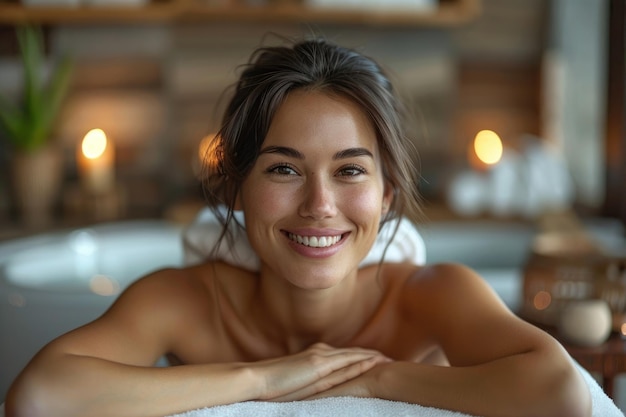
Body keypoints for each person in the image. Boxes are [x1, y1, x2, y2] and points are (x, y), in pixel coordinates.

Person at [6, 37, 591, 417]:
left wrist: (375, 379)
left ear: (386, 195)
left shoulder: (430, 295)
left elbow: (560, 393)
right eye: (284, 168)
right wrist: (263, 379)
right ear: (236, 187)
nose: (319, 204)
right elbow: (38, 397)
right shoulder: (185, 299)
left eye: (350, 171)